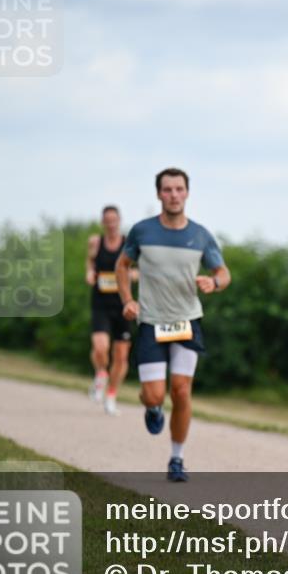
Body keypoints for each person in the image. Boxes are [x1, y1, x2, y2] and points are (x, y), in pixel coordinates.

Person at [115, 168, 230, 482]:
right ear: (158, 194)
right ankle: (152, 409)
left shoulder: (201, 235)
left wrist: (214, 283)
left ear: (187, 193)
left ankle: (177, 458)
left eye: (179, 189)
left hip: (186, 321)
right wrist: (127, 300)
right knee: (154, 395)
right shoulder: (142, 231)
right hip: (151, 321)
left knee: (181, 391)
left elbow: (223, 272)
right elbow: (122, 266)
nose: (174, 195)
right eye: (167, 190)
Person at [86, 205, 136, 415]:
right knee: (99, 347)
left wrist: (132, 275)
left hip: (124, 305)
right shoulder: (95, 242)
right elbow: (90, 263)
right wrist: (89, 273)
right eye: (107, 220)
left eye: (114, 220)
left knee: (121, 357)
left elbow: (140, 269)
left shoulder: (129, 244)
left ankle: (112, 395)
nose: (111, 224)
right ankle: (101, 374)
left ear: (120, 221)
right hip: (101, 303)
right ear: (102, 222)